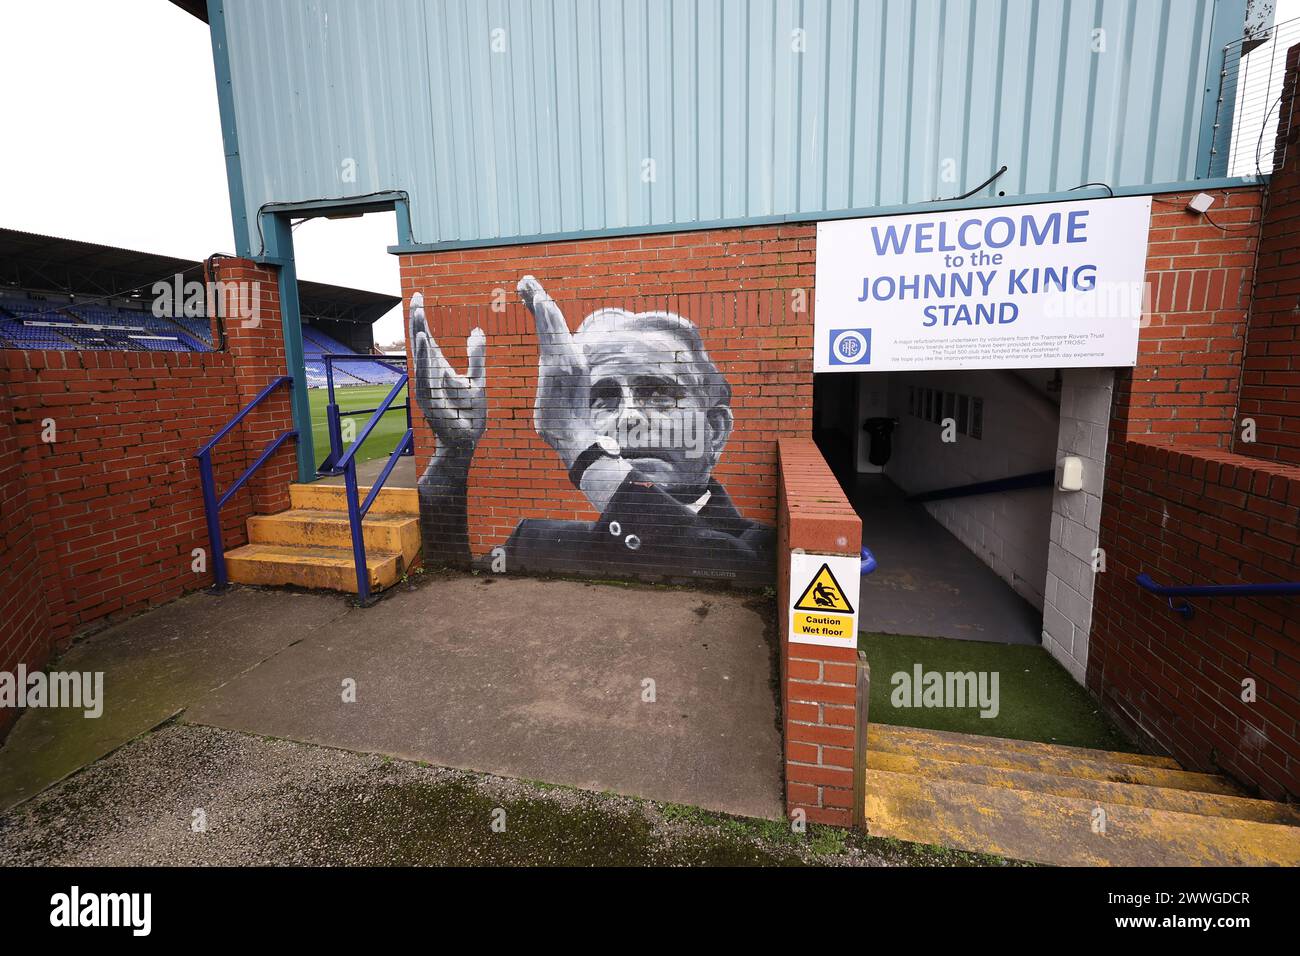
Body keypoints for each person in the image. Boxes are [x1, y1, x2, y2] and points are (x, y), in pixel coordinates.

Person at [408, 275, 774, 586]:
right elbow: (455, 586)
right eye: (603, 397)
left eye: (659, 392)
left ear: (715, 430)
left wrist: (578, 445)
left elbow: (724, 566)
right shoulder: (533, 542)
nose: (629, 416)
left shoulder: (761, 547)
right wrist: (452, 462)